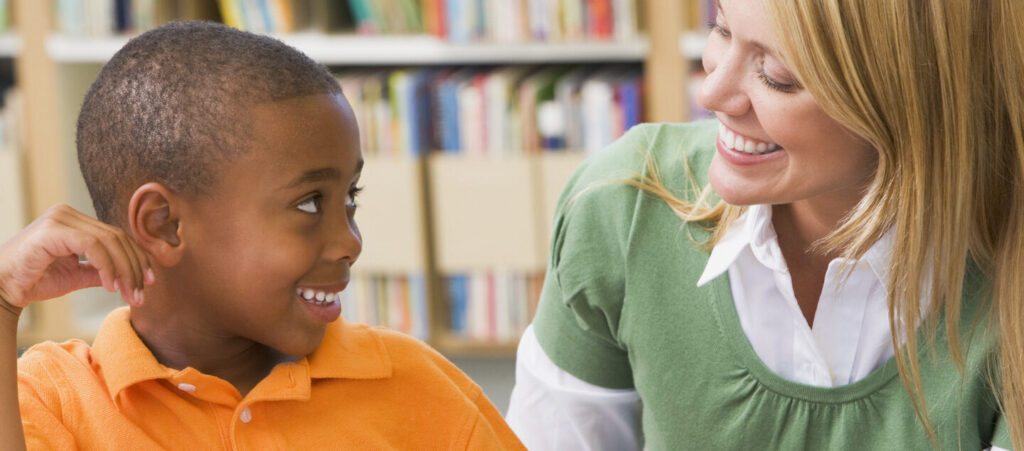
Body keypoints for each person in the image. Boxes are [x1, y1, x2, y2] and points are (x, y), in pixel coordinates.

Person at [506, 0, 1022, 449]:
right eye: (721, 28)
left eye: (777, 75)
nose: (711, 94)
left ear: (913, 100)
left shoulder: (1007, 269)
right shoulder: (622, 206)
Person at [0, 22, 524, 450]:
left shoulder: (416, 385)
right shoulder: (52, 401)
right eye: (309, 203)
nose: (350, 241)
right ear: (164, 224)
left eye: (350, 199)